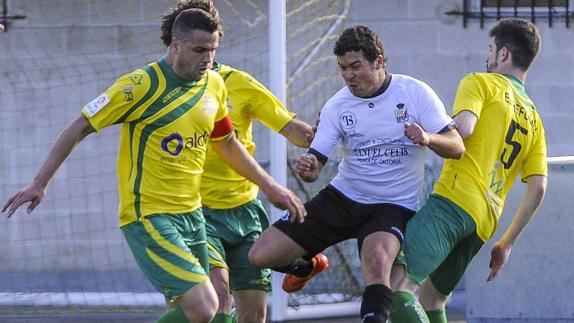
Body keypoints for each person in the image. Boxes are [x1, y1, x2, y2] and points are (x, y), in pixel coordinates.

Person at [2, 8, 305, 323]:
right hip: (149, 216)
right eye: (200, 50)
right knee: (206, 305)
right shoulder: (140, 85)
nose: (208, 58)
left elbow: (227, 143)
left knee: (200, 310)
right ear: (175, 46)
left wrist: (270, 186)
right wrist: (40, 182)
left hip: (192, 216)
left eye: (213, 50)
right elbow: (80, 125)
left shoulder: (214, 85)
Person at [249, 25, 465, 323]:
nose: (348, 75)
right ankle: (308, 266)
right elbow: (315, 166)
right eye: (342, 68)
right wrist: (309, 168)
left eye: (355, 66)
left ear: (379, 61)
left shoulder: (414, 93)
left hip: (392, 206)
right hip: (343, 197)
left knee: (377, 265)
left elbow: (457, 146)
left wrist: (428, 138)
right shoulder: (338, 105)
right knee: (261, 255)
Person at [159, 2, 314, 323]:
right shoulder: (160, 89)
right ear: (177, 43)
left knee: (254, 312)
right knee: (215, 296)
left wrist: (330, 136)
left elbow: (295, 131)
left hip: (245, 212)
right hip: (194, 213)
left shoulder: (238, 83)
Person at [390, 18, 547, 323]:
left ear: (503, 54)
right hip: (483, 224)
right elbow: (538, 188)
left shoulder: (480, 82)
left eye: (490, 49)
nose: (487, 57)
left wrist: (427, 136)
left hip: (452, 202)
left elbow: (463, 130)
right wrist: (507, 242)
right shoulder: (535, 122)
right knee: (433, 301)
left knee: (395, 287)